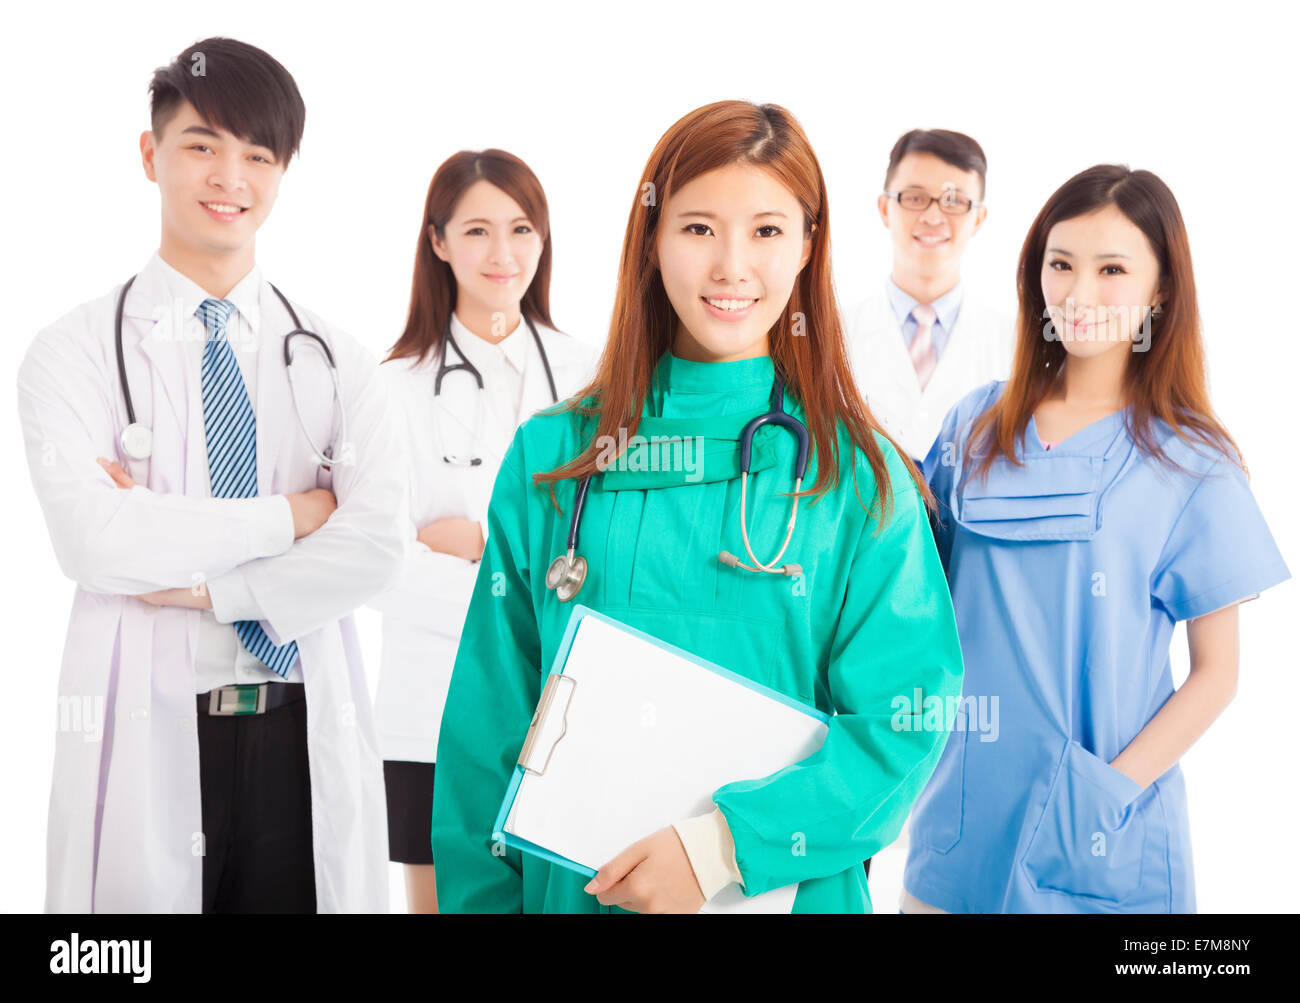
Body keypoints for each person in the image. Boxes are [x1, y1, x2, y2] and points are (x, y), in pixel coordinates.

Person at [430, 99, 964, 914]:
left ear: (809, 245)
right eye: (698, 228)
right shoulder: (553, 459)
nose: (731, 267)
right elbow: (488, 724)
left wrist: (721, 846)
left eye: (767, 231)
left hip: (782, 890)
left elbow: (903, 725)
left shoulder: (859, 476)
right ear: (651, 239)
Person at [16, 37, 406, 913]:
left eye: (258, 155)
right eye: (202, 145)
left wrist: (209, 586)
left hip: (299, 729)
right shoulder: (70, 352)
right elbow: (96, 539)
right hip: (156, 726)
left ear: (280, 174)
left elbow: (377, 545)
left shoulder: (339, 358)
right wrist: (298, 514)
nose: (231, 176)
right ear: (151, 155)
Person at [900, 165, 1290, 913]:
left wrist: (1103, 794)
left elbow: (1218, 674)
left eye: (1112, 269)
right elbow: (920, 600)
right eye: (1061, 264)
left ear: (1161, 289)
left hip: (1102, 833)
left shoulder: (1192, 462)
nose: (1079, 295)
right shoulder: (974, 427)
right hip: (958, 823)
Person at [368, 150, 598, 913]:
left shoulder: (596, 377)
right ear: (437, 241)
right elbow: (380, 563)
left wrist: (479, 544)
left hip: (572, 704)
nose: (504, 254)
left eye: (522, 228)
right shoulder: (391, 389)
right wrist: (540, 570)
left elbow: (618, 552)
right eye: (477, 231)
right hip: (432, 711)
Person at [845, 129, 1014, 465]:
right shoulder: (832, 332)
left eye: (954, 201)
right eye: (914, 197)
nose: (934, 217)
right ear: (884, 208)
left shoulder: (1015, 342)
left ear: (978, 218)